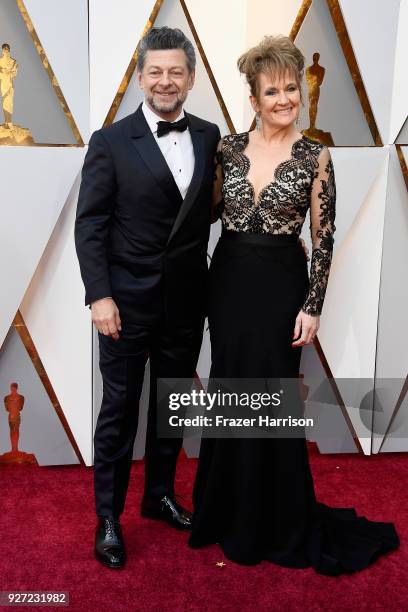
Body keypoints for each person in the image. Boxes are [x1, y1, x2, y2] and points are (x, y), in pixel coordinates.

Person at [188, 35, 400, 576]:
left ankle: (274, 519)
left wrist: (313, 305)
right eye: (272, 90)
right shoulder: (228, 150)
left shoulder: (315, 155)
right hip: (229, 284)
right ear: (254, 99)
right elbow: (206, 213)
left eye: (291, 88)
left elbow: (323, 239)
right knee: (230, 389)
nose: (284, 99)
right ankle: (225, 511)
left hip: (283, 285)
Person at [74, 26, 222, 569]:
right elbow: (89, 224)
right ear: (140, 78)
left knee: (171, 405)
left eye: (175, 72)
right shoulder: (110, 142)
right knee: (119, 410)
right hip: (125, 304)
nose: (165, 81)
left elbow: (209, 210)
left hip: (186, 301)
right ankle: (108, 516)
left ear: (190, 78)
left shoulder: (209, 136)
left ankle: (159, 495)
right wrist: (99, 297)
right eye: (155, 72)